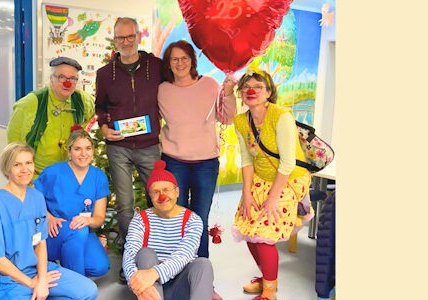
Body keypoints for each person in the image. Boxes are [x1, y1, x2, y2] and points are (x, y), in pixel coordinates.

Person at [231, 67, 313, 300]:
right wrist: (246, 194)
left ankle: (269, 293)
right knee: (248, 228)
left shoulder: (281, 116)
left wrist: (273, 198)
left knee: (264, 232)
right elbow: (247, 159)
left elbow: (287, 163)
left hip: (289, 179)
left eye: (258, 86)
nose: (251, 90)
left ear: (268, 92)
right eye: (246, 86)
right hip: (259, 178)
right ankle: (267, 277)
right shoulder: (241, 121)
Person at [0, 143, 98, 300]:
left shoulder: (36, 197)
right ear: (7, 169)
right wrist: (32, 283)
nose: (25, 169)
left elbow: (40, 243)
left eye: (29, 163)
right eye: (17, 165)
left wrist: (41, 279)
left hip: (35, 269)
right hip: (6, 279)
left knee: (88, 290)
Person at [158, 40, 237, 259]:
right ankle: (177, 268)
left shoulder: (210, 84)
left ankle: (200, 270)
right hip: (173, 162)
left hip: (205, 163)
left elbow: (227, 118)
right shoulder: (163, 90)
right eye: (175, 59)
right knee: (176, 217)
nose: (180, 63)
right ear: (169, 63)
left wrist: (228, 93)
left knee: (199, 218)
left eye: (184, 58)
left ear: (192, 60)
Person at [94, 16, 163, 265]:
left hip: (150, 145)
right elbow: (100, 106)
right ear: (115, 40)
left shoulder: (156, 66)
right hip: (118, 147)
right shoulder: (104, 74)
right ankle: (130, 256)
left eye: (130, 36)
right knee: (124, 204)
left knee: (158, 197)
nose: (126, 41)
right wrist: (103, 128)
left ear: (138, 37)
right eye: (121, 37)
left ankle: (157, 251)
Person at [122, 160, 214, 300]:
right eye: (156, 192)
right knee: (145, 253)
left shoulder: (193, 220)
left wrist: (155, 273)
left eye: (166, 190)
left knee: (203, 264)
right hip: (150, 289)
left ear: (177, 192)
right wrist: (137, 284)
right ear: (150, 196)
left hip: (180, 285)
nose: (162, 196)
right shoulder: (140, 220)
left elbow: (184, 255)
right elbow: (129, 254)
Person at [32, 126, 111, 277]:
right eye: (77, 149)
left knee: (100, 267)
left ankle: (62, 266)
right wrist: (48, 217)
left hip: (82, 232)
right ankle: (77, 286)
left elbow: (99, 218)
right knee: (77, 231)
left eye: (88, 148)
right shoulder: (53, 173)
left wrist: (87, 221)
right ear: (69, 152)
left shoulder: (98, 177)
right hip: (54, 232)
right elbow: (32, 199)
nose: (83, 154)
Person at [7, 56, 96, 175]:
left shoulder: (82, 100)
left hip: (69, 174)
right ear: (51, 79)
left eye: (73, 78)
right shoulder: (30, 103)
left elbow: (97, 112)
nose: (67, 83)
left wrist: (81, 130)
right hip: (37, 177)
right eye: (61, 77)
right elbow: (14, 145)